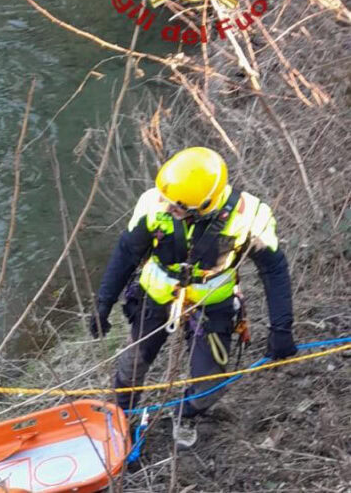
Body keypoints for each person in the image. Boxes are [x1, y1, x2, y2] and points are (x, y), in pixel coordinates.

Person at [89, 147, 296, 419]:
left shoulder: (248, 216)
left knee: (208, 386)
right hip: (156, 298)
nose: (168, 206)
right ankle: (121, 419)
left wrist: (281, 327)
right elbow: (127, 252)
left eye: (177, 207)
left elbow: (273, 268)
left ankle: (184, 415)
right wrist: (104, 302)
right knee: (129, 370)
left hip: (211, 306)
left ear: (202, 207)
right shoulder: (156, 203)